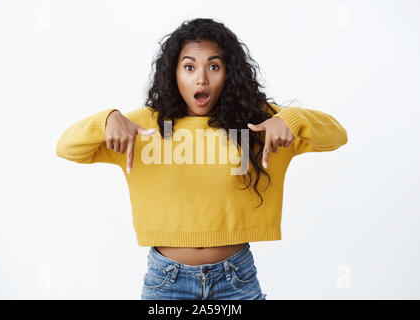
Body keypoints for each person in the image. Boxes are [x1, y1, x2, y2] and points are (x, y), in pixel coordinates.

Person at [56, 18, 348, 300]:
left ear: (228, 73)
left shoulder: (257, 124)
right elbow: (66, 148)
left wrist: (292, 120)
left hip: (236, 279)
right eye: (189, 67)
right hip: (166, 281)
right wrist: (106, 120)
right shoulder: (144, 127)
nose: (202, 78)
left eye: (214, 66)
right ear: (174, 72)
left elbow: (337, 135)